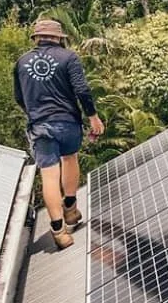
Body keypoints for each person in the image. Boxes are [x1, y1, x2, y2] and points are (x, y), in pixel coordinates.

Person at [14, 18, 104, 249]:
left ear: (36, 38)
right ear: (59, 38)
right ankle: (71, 209)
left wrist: (35, 113)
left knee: (49, 176)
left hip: (40, 126)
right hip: (66, 122)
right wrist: (93, 116)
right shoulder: (68, 58)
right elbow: (82, 89)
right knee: (70, 158)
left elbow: (19, 98)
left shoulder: (22, 62)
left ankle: (58, 231)